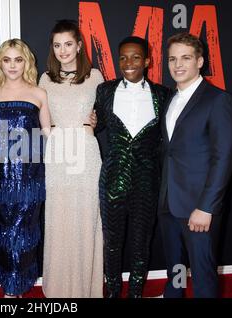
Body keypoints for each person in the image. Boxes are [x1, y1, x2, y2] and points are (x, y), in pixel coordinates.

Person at [159, 32, 232, 298]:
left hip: (199, 208)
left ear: (200, 61)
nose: (177, 65)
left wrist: (206, 207)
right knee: (176, 272)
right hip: (168, 203)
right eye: (172, 59)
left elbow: (223, 158)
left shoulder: (219, 100)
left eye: (186, 58)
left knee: (203, 276)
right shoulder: (169, 99)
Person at [94, 36, 171, 298]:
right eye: (123, 57)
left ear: (147, 61)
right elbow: (95, 125)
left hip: (147, 182)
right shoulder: (104, 91)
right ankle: (113, 293)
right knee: (112, 245)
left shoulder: (163, 94)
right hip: (112, 179)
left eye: (136, 57)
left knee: (141, 245)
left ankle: (135, 294)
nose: (129, 63)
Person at [38, 20, 104, 298]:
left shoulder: (96, 77)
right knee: (58, 219)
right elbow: (40, 116)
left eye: (68, 44)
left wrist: (96, 122)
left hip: (86, 155)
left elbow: (103, 115)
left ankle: (86, 289)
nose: (63, 50)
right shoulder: (44, 79)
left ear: (79, 46)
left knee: (86, 219)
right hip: (57, 155)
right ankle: (58, 290)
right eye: (57, 45)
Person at [0, 38, 51, 297]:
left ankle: (19, 288)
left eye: (18, 59)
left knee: (24, 234)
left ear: (27, 62)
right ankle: (8, 290)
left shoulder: (38, 93)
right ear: (0, 62)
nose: (13, 65)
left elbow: (48, 135)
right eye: (7, 59)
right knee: (3, 233)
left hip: (29, 178)